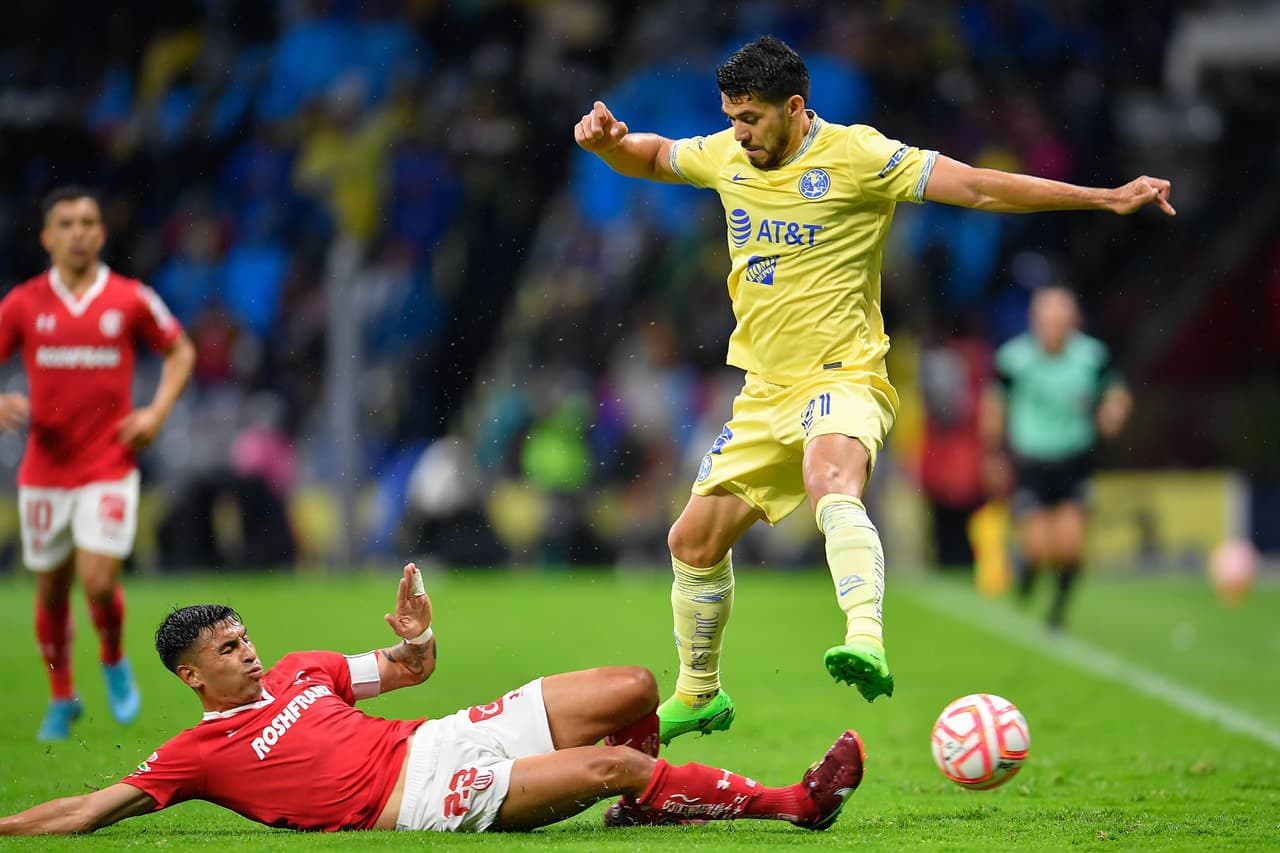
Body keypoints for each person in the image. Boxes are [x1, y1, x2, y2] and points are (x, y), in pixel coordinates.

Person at [573, 35, 1174, 741]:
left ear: (795, 108)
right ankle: (700, 692)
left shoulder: (858, 155)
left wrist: (1101, 197)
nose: (739, 133)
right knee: (692, 541)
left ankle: (866, 638)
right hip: (765, 392)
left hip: (844, 375)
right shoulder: (728, 153)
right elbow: (653, 155)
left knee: (831, 480)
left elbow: (977, 185)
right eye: (731, 117)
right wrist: (608, 143)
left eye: (752, 118)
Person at [0, 563, 866, 835]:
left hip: (439, 734)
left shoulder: (304, 668)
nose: (250, 650)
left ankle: (650, 805)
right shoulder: (193, 756)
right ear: (193, 676)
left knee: (634, 687)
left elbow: (410, 670)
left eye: (245, 634)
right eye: (228, 649)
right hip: (417, 798)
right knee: (617, 760)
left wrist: (416, 636)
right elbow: (86, 808)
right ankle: (795, 804)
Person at [0, 186, 196, 740]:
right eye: (66, 222)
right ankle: (62, 696)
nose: (79, 231)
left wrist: (155, 412)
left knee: (98, 579)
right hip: (44, 471)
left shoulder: (130, 298)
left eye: (88, 221)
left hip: (109, 463)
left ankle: (112, 657)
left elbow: (182, 350)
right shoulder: (22, 304)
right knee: (52, 591)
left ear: (102, 234)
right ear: (47, 236)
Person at [979, 286, 1133, 630]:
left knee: (1070, 547)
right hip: (1031, 461)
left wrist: (1113, 411)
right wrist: (994, 455)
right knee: (1037, 547)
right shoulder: (1014, 359)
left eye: (1061, 321)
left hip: (1074, 459)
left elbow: (1116, 391)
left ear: (1073, 322)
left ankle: (1058, 613)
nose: (1054, 328)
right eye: (1048, 321)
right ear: (1035, 321)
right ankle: (1028, 572)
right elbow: (995, 406)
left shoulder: (1091, 357)